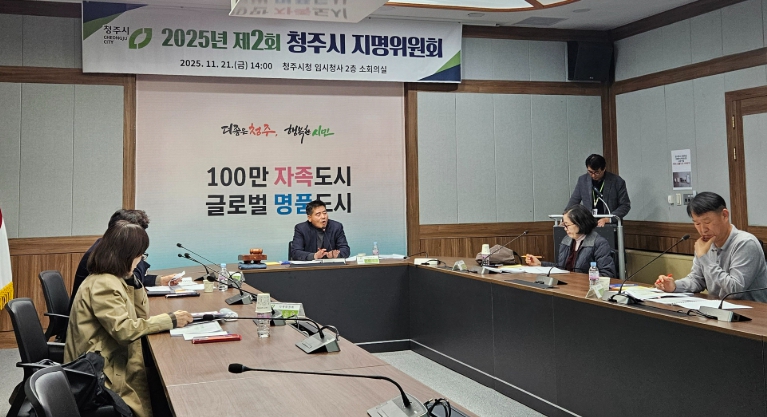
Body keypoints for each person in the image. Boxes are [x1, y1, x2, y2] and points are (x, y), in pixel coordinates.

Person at [65, 220, 193, 417]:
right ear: (127, 255)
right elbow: (124, 331)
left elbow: (141, 315)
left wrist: (134, 281)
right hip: (101, 374)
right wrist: (170, 320)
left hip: (113, 360)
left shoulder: (114, 279)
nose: (140, 261)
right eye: (140, 255)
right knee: (166, 386)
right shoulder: (104, 284)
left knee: (161, 381)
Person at [654, 192, 767, 302]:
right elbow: (697, 280)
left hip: (751, 311)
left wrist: (704, 258)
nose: (703, 229)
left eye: (707, 222)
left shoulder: (746, 243)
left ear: (724, 215)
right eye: (697, 223)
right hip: (717, 308)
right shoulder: (705, 244)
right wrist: (674, 286)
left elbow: (734, 290)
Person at [70, 209, 178, 310]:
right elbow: (131, 281)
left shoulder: (105, 247)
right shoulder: (103, 257)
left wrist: (158, 280)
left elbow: (128, 278)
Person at [526, 205, 616, 277]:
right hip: (567, 285)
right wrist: (540, 263)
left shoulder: (599, 243)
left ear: (580, 223)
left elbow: (607, 274)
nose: (565, 229)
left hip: (585, 288)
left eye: (567, 225)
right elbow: (561, 268)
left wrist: (584, 279)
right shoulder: (567, 240)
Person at [566, 154, 631, 227]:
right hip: (589, 225)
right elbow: (574, 201)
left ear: (604, 169)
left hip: (609, 226)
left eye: (597, 172)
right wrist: (565, 218)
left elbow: (625, 205)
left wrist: (609, 218)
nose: (593, 175)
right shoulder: (582, 180)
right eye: (590, 172)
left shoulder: (617, 181)